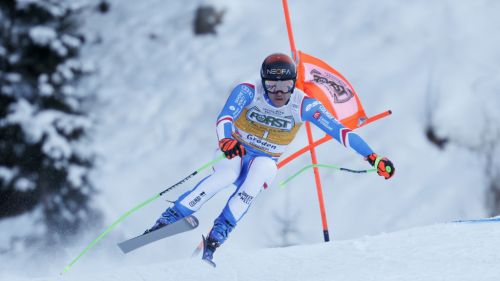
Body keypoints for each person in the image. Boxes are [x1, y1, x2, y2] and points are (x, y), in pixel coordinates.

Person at [145, 53, 395, 266]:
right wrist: (226, 140)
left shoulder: (303, 105)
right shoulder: (248, 90)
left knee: (260, 173)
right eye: (272, 85)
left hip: (263, 158)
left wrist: (372, 157)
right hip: (235, 150)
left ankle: (214, 239)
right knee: (227, 175)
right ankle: (167, 220)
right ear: (263, 82)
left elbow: (341, 132)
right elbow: (225, 118)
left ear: (294, 83)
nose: (279, 92)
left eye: (286, 85)